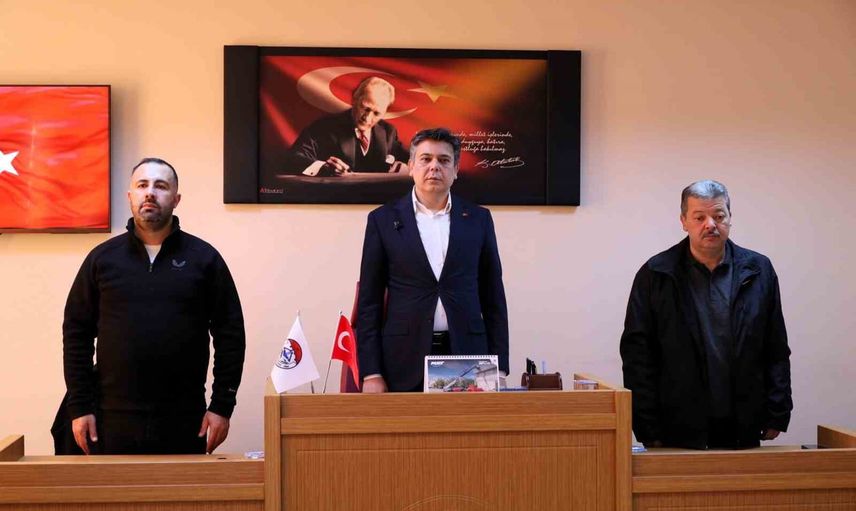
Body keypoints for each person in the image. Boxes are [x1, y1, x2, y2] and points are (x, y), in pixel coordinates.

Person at [63, 157, 245, 455]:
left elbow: (231, 336)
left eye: (160, 186)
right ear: (130, 196)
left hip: (185, 419)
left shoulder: (204, 259)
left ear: (176, 199)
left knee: (179, 488)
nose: (150, 192)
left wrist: (222, 407)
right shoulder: (102, 259)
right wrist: (79, 407)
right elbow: (76, 335)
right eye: (142, 185)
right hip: (110, 419)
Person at [620, 180, 792, 449]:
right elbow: (637, 356)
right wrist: (645, 425)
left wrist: (777, 411)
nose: (710, 224)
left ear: (730, 218)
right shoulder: (656, 274)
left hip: (743, 422)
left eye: (719, 216)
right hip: (676, 426)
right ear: (683, 221)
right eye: (699, 217)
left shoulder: (759, 270)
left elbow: (775, 347)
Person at [356, 127, 509, 392]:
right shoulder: (382, 220)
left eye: (444, 160)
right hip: (402, 361)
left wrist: (501, 368)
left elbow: (494, 298)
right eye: (426, 159)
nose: (434, 167)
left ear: (456, 170)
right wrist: (371, 373)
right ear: (411, 166)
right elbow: (369, 303)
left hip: (470, 360)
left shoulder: (479, 219)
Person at [283, 76, 410, 176]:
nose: (367, 118)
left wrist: (407, 167)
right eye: (365, 108)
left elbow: (411, 159)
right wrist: (323, 167)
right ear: (354, 99)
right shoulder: (324, 127)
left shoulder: (388, 132)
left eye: (376, 113)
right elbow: (292, 159)